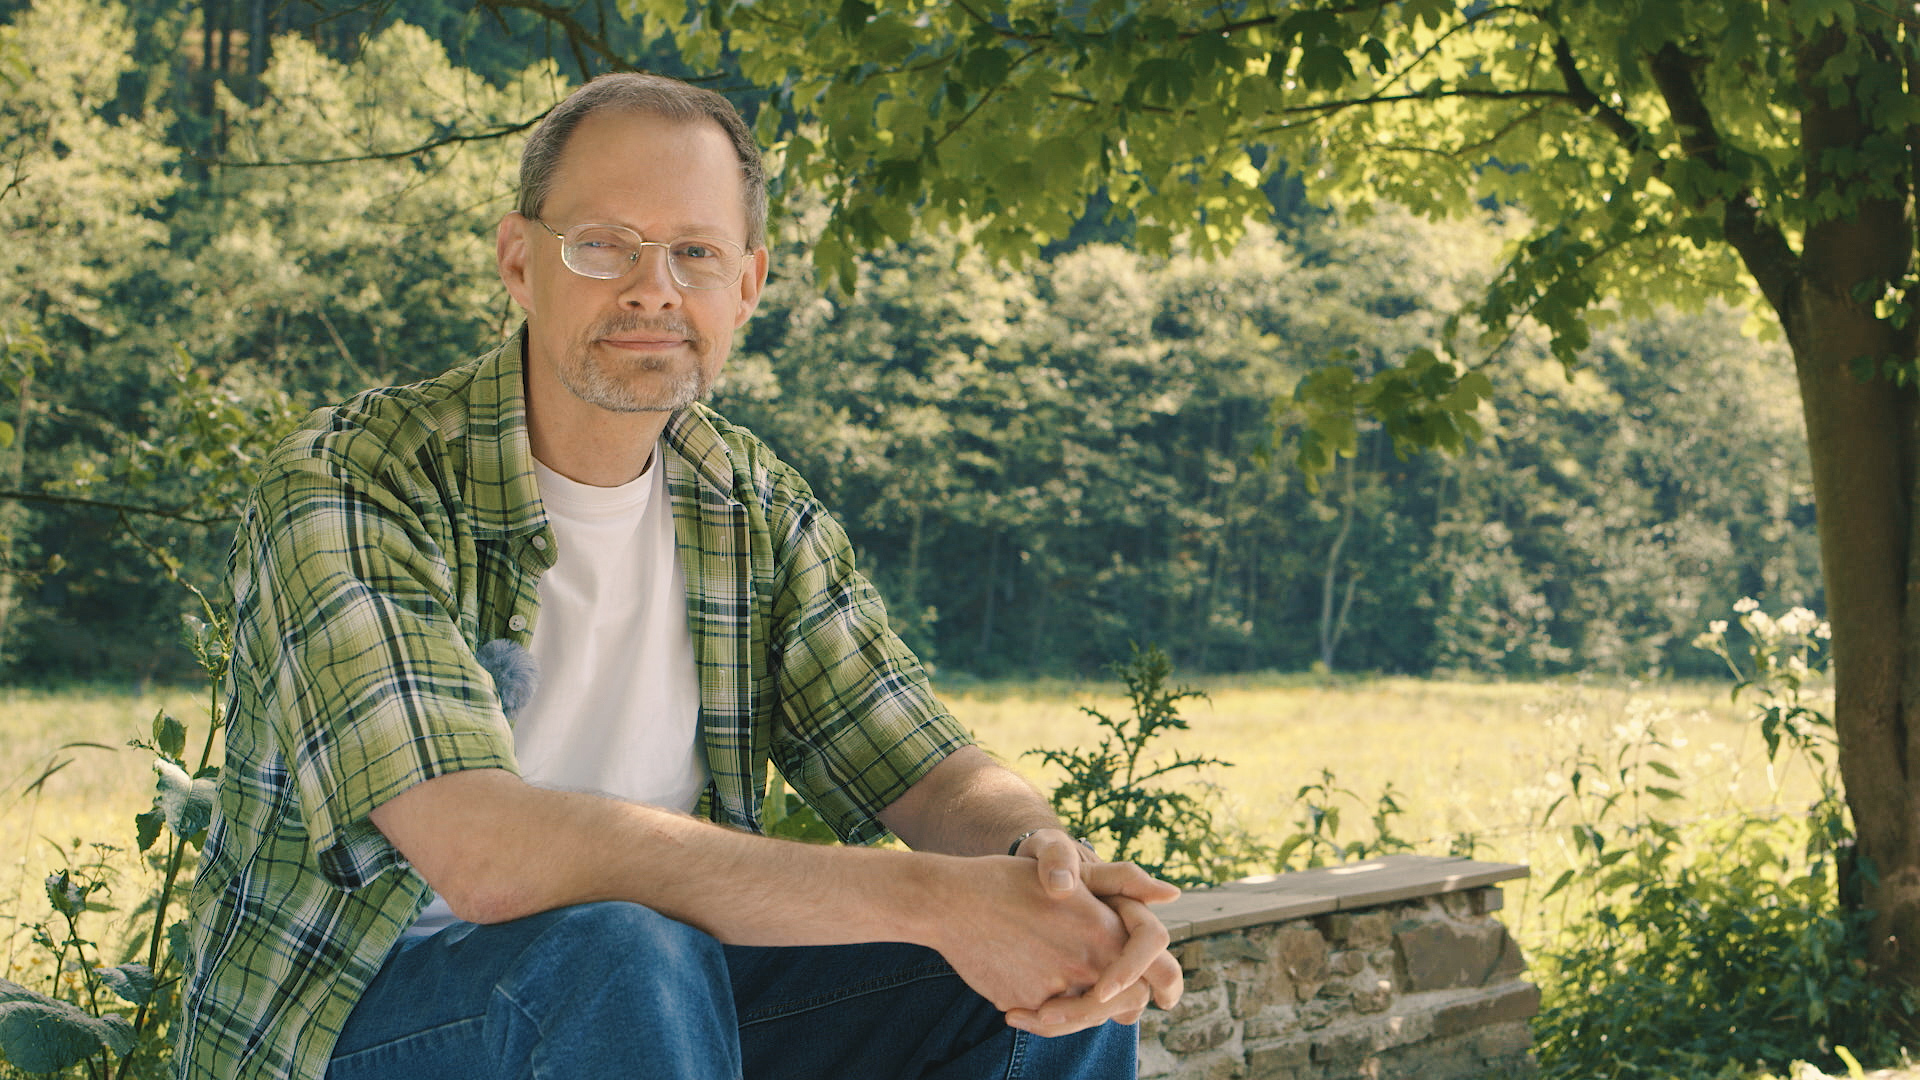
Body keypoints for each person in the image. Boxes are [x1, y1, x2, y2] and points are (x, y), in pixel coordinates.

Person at [176, 72, 1184, 1080]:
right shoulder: (358, 480)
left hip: (642, 999)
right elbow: (479, 852)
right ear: (520, 262)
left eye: (694, 253)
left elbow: (926, 766)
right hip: (361, 1025)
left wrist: (1044, 875)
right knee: (625, 947)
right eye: (605, 244)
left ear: (745, 286)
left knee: (1048, 982)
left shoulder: (751, 509)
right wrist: (930, 899)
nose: (653, 288)